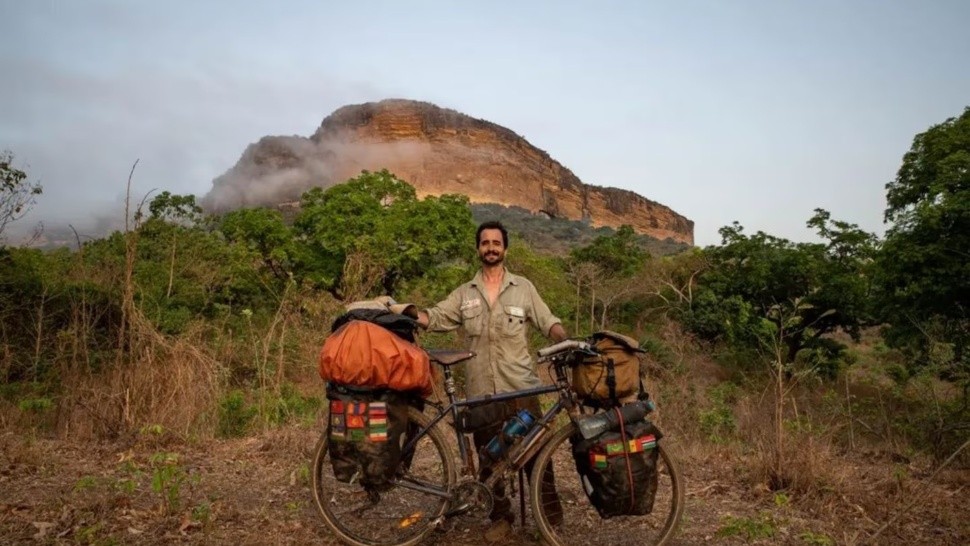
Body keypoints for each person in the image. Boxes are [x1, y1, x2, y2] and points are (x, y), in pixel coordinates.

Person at [411, 220, 566, 539]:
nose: (491, 247)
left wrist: (565, 341)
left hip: (521, 387)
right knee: (487, 458)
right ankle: (502, 519)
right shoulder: (464, 293)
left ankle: (550, 521)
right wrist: (408, 313)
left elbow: (548, 321)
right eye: (485, 242)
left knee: (538, 457)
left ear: (505, 249)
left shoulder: (524, 288)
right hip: (482, 391)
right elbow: (437, 317)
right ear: (478, 248)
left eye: (496, 242)